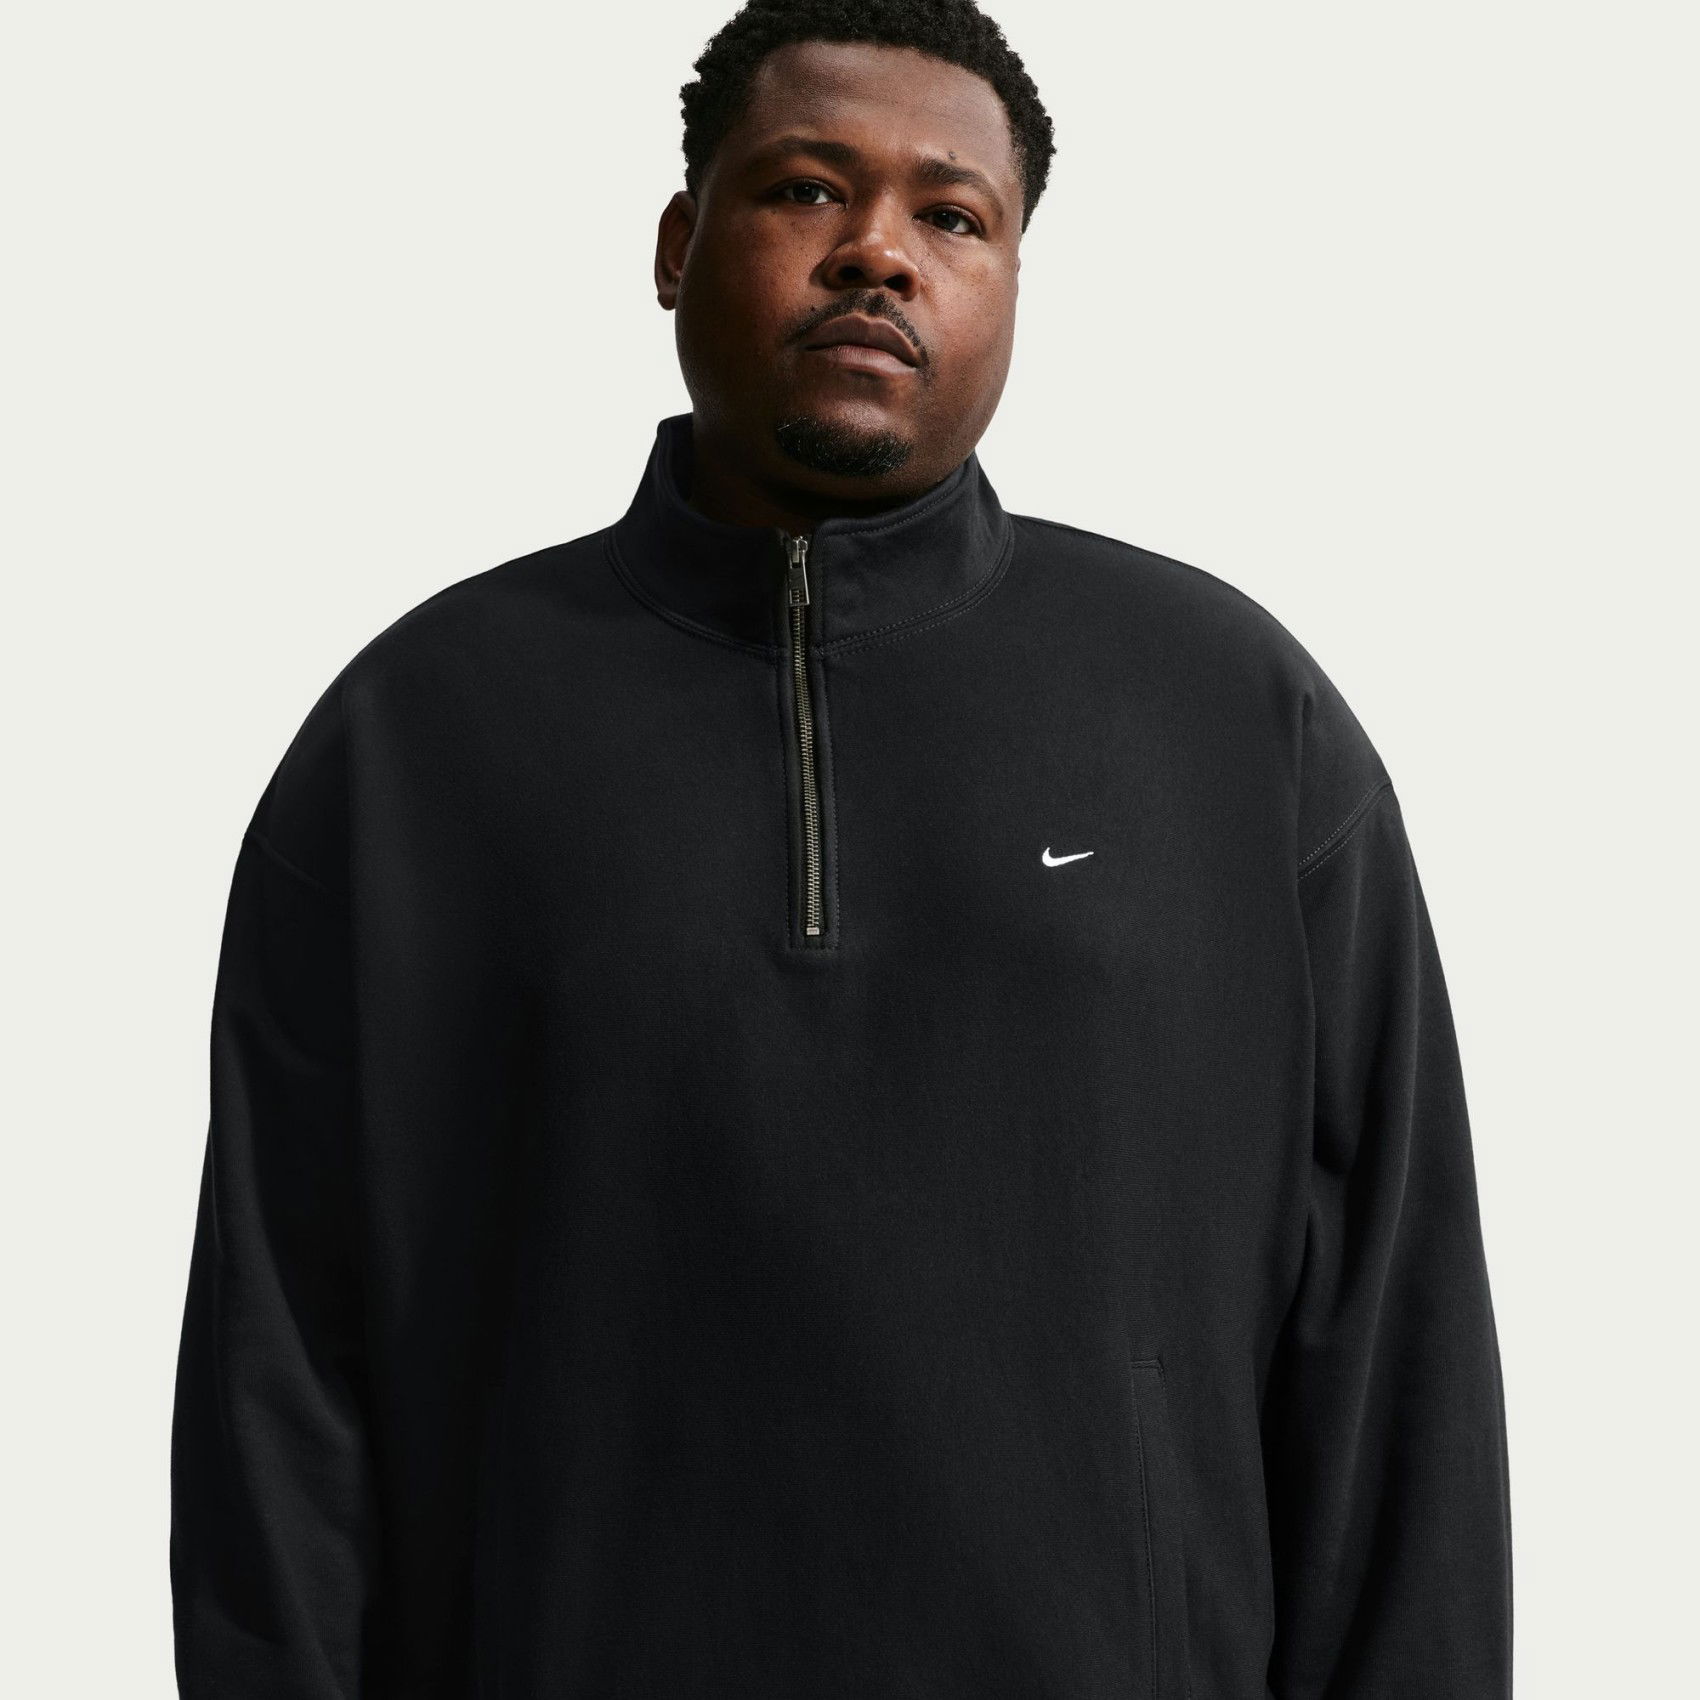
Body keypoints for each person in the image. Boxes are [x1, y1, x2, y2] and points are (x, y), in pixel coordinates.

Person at [169, 1, 1514, 1694]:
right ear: (678, 245)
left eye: (954, 215)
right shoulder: (419, 741)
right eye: (808, 189)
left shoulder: (1231, 721)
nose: (879, 250)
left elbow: (1394, 1361)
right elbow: (281, 1380)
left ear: (1011, 282)